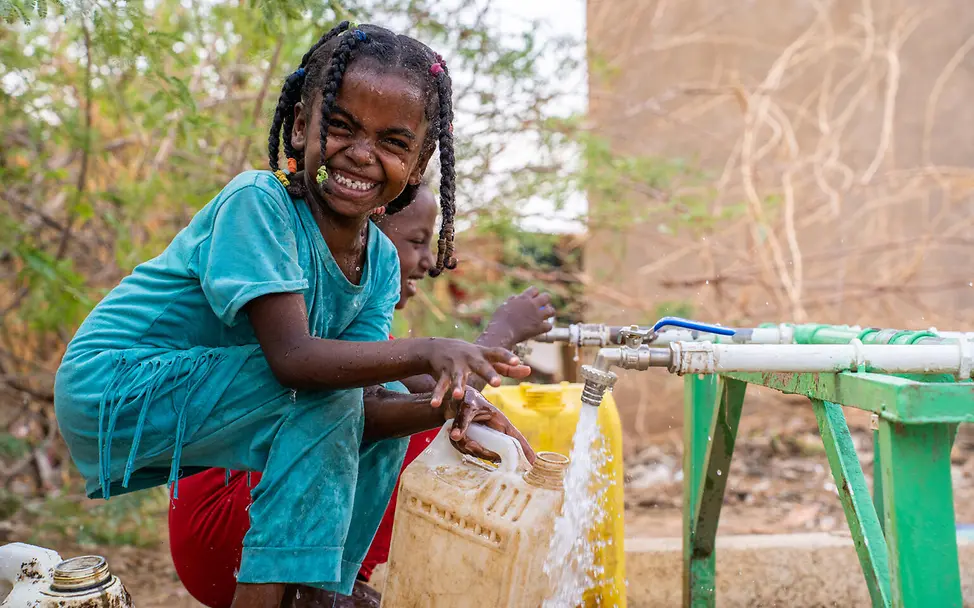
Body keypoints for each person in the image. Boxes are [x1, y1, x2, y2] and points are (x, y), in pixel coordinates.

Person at [54, 22, 537, 608]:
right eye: (342, 127)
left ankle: (323, 590)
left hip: (203, 391)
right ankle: (288, 595)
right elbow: (293, 361)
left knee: (364, 398)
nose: (362, 154)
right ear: (302, 126)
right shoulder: (258, 203)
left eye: (393, 142)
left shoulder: (380, 261)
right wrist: (428, 350)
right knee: (329, 393)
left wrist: (445, 407)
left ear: (417, 164)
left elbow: (366, 403)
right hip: (116, 381)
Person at [168, 184, 555, 608]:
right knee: (418, 421)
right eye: (417, 241)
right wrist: (503, 332)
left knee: (443, 412)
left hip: (228, 539)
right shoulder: (309, 331)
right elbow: (433, 397)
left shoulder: (351, 334)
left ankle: (335, 584)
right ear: (365, 236)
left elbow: (451, 392)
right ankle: (321, 587)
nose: (429, 262)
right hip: (232, 540)